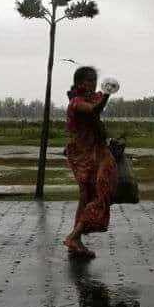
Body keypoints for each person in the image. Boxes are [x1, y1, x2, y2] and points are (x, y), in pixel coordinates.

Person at [63, 66, 117, 258]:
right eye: (90, 80)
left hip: (93, 155)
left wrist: (105, 94)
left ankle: (75, 239)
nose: (94, 84)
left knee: (88, 196)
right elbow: (94, 109)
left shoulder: (90, 99)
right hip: (86, 157)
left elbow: (96, 107)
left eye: (95, 80)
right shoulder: (77, 103)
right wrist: (107, 94)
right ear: (80, 83)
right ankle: (74, 237)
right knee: (99, 194)